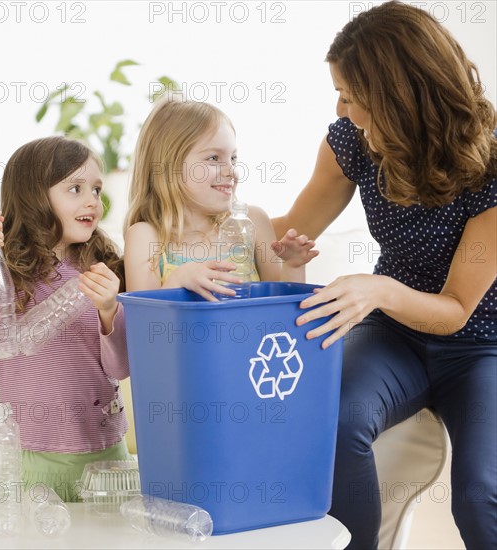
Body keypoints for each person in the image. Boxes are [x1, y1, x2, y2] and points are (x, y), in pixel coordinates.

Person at [272, 2, 496, 548]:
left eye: (350, 93)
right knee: (334, 424)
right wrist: (189, 230)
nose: (341, 107)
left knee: (480, 491)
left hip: (482, 346)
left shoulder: (492, 166)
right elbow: (284, 231)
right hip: (394, 335)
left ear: (397, 94)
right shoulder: (349, 143)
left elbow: (455, 310)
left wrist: (377, 290)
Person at [0, 136, 131, 502]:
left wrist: (110, 309)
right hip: (29, 457)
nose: (92, 200)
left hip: (105, 452)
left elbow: (121, 366)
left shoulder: (106, 269)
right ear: (34, 197)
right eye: (75, 188)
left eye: (96, 189)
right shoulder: (7, 272)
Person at [124, 98, 317, 297]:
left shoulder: (253, 221)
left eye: (233, 159)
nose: (231, 171)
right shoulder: (145, 236)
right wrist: (178, 279)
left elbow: (282, 307)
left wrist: (292, 266)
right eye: (214, 158)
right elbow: (145, 322)